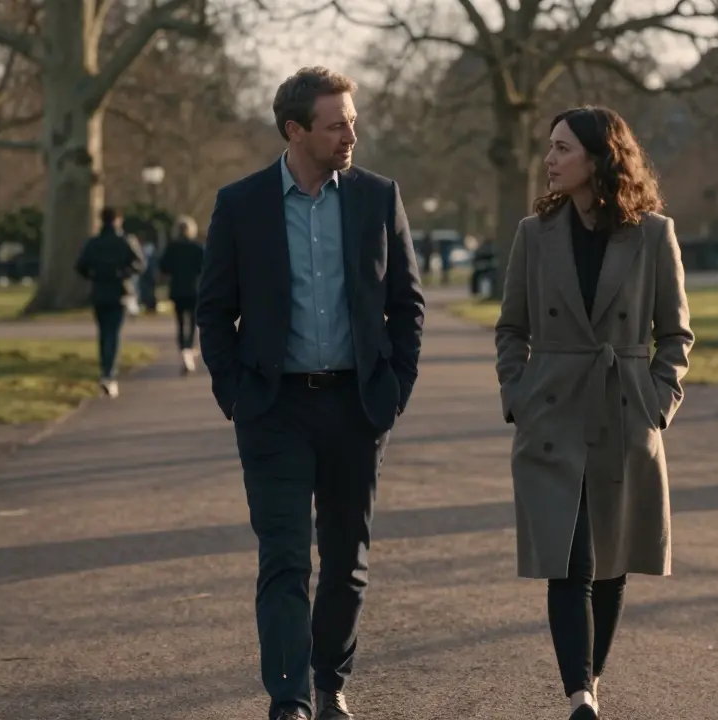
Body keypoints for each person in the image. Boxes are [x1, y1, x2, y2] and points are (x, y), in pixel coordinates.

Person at [196, 66, 425, 720]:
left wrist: (396, 388)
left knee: (348, 560)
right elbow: (212, 311)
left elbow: (406, 304)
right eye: (336, 125)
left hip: (357, 407)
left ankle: (330, 680)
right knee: (285, 557)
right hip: (274, 411)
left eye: (352, 121)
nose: (351, 134)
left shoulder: (378, 198)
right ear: (295, 130)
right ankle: (290, 700)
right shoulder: (240, 205)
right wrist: (235, 393)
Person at [494, 106, 694, 720]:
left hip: (624, 410)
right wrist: (519, 396)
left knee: (612, 562)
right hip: (553, 414)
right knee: (569, 557)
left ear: (598, 158)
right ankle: (580, 693)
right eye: (549, 148)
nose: (550, 160)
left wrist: (656, 404)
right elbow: (512, 329)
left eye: (562, 149)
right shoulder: (535, 233)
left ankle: (591, 681)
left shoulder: (654, 234)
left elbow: (676, 336)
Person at [75, 206, 146, 398]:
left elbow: (80, 266)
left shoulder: (93, 243)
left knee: (103, 333)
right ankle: (109, 375)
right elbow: (140, 264)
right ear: (118, 220)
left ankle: (105, 371)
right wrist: (124, 274)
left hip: (99, 291)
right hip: (119, 292)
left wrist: (94, 275)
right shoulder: (125, 241)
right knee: (113, 334)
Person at [157, 214, 205, 375]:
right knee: (192, 321)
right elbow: (206, 267)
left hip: (177, 289)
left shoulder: (171, 248)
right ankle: (189, 349)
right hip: (194, 289)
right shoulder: (197, 247)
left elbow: (163, 267)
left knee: (180, 322)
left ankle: (183, 349)